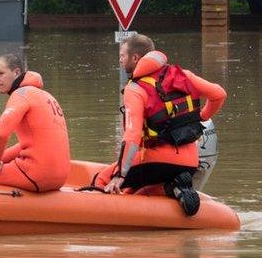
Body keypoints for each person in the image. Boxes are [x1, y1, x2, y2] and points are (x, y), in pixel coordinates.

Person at [92, 34, 227, 216]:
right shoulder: (183, 75)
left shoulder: (135, 88)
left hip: (158, 159)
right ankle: (172, 188)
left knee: (101, 179)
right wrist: (202, 116)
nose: (120, 60)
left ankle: (103, 229)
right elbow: (219, 94)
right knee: (137, 191)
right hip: (190, 162)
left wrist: (119, 175)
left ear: (135, 58)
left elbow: (132, 136)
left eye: (122, 55)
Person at [0, 54, 70, 192]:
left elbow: (0, 134)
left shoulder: (20, 94)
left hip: (35, 174)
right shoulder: (46, 96)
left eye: (0, 74)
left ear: (16, 72)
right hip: (60, 178)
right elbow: (25, 144)